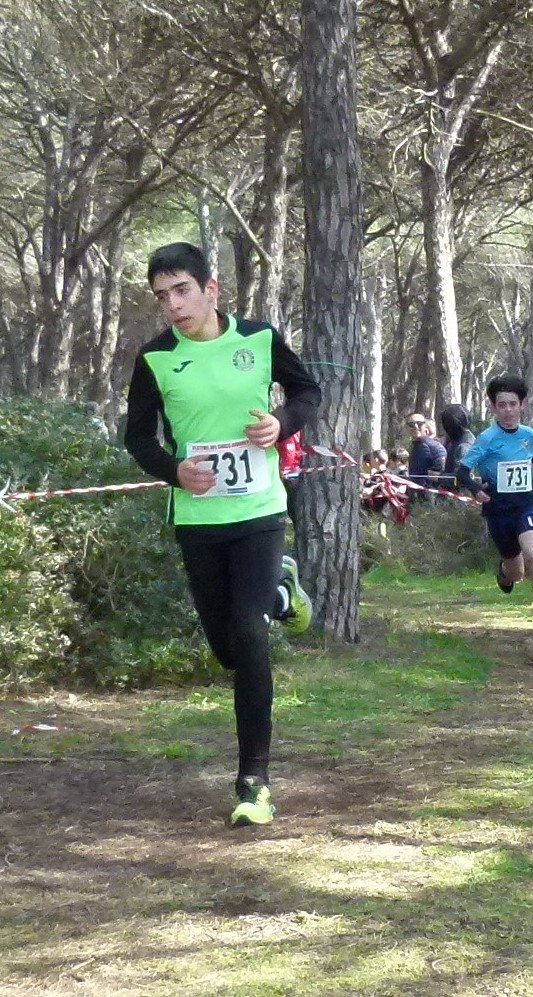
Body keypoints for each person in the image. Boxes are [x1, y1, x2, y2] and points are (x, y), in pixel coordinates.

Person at [124, 242, 321, 828]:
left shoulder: (258, 339)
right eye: (162, 296)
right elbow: (138, 437)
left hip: (259, 510)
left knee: (250, 636)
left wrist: (281, 423)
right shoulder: (155, 358)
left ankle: (253, 782)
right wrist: (174, 470)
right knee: (227, 649)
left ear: (211, 289)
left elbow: (307, 391)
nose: (173, 305)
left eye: (182, 290)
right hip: (199, 518)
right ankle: (282, 594)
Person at [457, 374, 533, 640]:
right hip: (499, 511)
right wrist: (476, 489)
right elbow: (462, 472)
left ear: (522, 405)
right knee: (516, 572)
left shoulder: (527, 434)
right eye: (502, 405)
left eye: (513, 404)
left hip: (527, 505)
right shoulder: (487, 438)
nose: (508, 410)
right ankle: (504, 573)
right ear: (494, 407)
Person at [406, 412, 446, 491]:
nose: (416, 427)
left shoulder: (435, 447)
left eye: (419, 424)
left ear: (425, 427)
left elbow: (443, 477)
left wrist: (426, 475)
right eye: (411, 425)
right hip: (415, 494)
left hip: (432, 495)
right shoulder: (414, 447)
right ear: (406, 428)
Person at [440, 404, 475, 489]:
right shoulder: (455, 442)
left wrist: (438, 477)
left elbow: (461, 479)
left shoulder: (464, 447)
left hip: (461, 496)